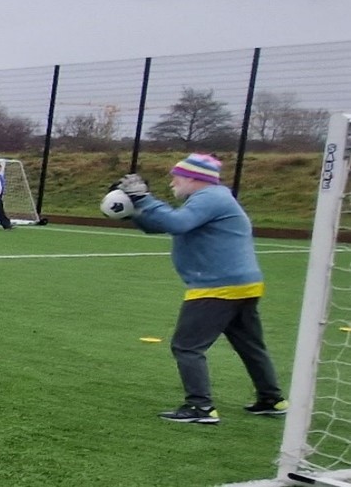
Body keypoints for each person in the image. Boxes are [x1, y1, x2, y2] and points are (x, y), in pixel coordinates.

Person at [114, 153, 284, 425]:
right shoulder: (214, 198)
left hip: (217, 286)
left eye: (176, 177)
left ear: (193, 178)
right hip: (241, 283)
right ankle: (272, 398)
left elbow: (176, 223)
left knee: (186, 347)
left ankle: (200, 407)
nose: (172, 183)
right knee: (250, 345)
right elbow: (164, 226)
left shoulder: (210, 198)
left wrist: (143, 199)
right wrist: (134, 209)